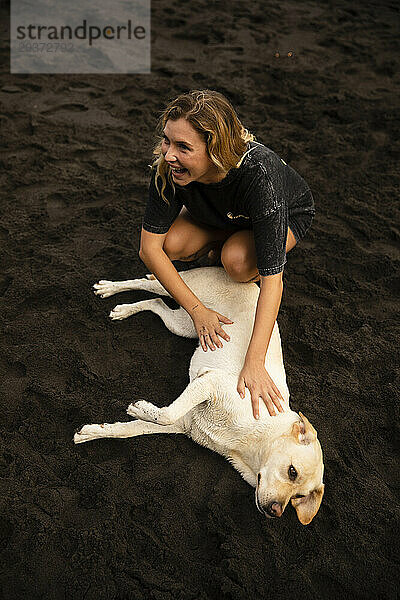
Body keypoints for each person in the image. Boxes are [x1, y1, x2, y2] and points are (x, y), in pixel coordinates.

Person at [139, 90, 315, 421]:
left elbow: (272, 283)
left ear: (215, 151)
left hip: (287, 213)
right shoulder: (168, 168)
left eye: (184, 148)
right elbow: (148, 249)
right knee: (170, 245)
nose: (169, 154)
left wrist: (254, 363)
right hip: (225, 215)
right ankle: (229, 237)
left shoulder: (259, 175)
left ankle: (234, 242)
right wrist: (197, 310)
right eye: (167, 141)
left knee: (236, 263)